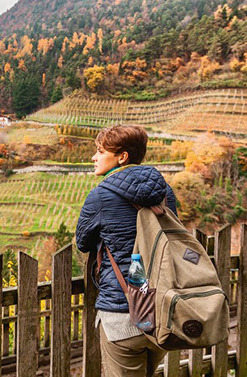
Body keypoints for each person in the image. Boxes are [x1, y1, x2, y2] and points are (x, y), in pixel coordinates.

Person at [76, 125, 177, 377]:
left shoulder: (100, 195)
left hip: (121, 314)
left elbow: (83, 242)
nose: (94, 157)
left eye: (100, 151)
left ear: (122, 157)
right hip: (161, 311)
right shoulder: (165, 192)